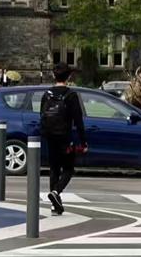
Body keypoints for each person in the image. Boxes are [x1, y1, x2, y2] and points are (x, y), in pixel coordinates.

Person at [39, 62, 87, 216]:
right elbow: (78, 120)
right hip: (65, 136)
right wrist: (83, 141)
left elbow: (42, 115)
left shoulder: (47, 94)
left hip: (50, 136)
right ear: (69, 76)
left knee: (54, 169)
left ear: (54, 75)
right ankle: (56, 191)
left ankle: (55, 206)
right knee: (68, 168)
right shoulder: (71, 95)